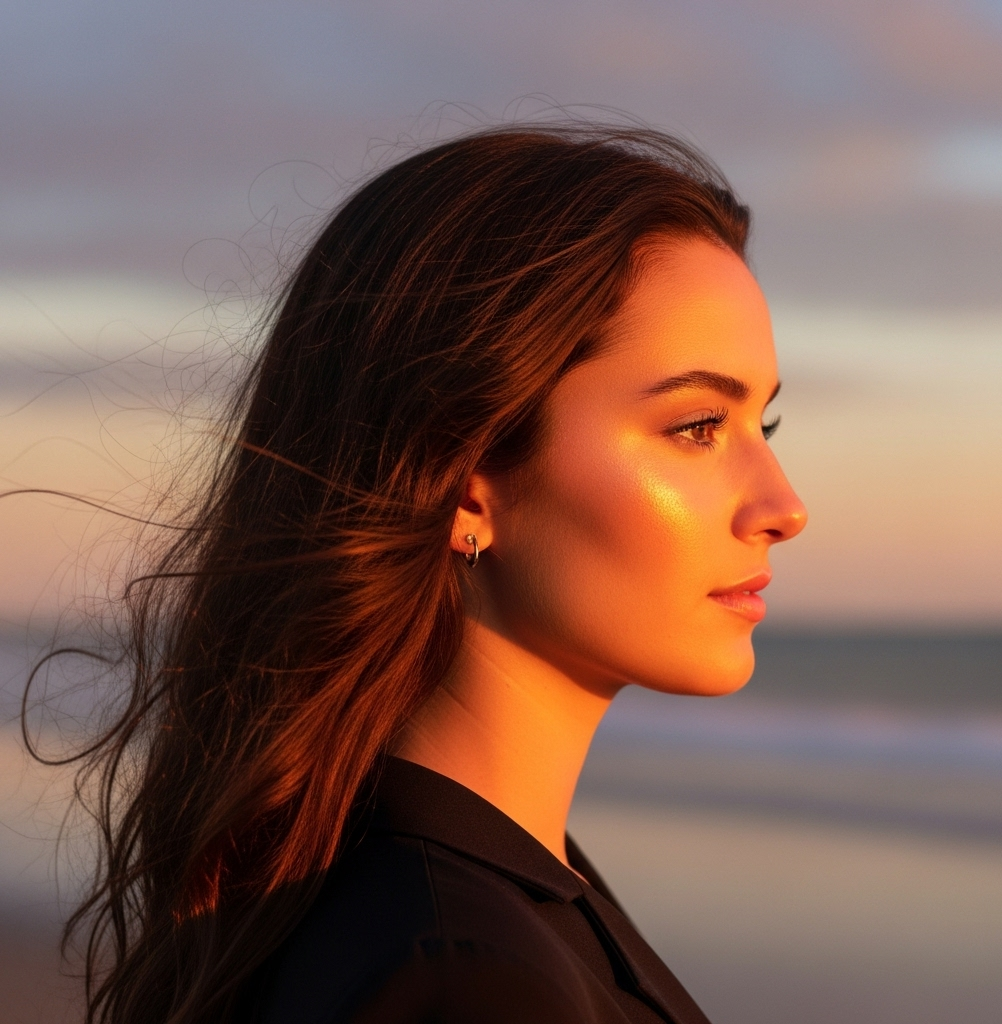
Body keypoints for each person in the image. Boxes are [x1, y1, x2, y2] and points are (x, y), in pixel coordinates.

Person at [54, 122, 806, 1024]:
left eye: (762, 426)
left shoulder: (453, 892)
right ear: (467, 481)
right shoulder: (468, 981)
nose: (785, 506)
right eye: (697, 427)